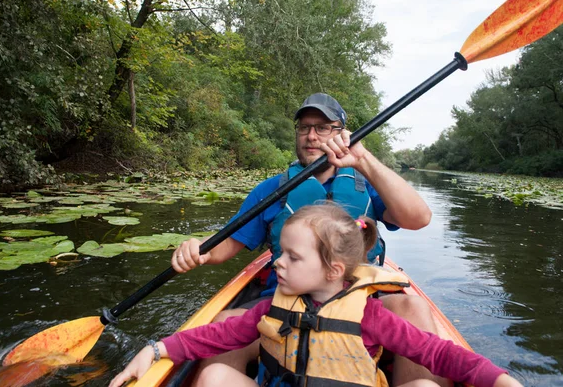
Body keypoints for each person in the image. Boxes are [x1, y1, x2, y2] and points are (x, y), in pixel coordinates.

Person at [172, 92, 439, 385]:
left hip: (362, 306)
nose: (311, 136)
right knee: (224, 322)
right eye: (305, 127)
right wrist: (201, 248)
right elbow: (226, 245)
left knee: (413, 309)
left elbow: (418, 218)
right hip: (280, 305)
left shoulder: (368, 186)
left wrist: (363, 160)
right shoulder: (271, 190)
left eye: (323, 127)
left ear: (342, 133)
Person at [110, 204, 522, 387]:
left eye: (291, 256)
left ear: (333, 270)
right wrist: (155, 348)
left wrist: (499, 379)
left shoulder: (371, 317)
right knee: (215, 373)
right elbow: (212, 338)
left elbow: (441, 355)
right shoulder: (270, 310)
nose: (277, 264)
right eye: (278, 253)